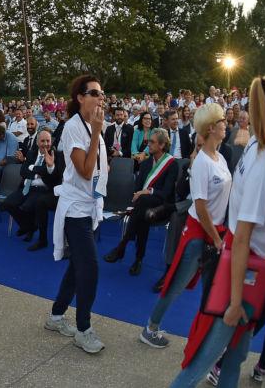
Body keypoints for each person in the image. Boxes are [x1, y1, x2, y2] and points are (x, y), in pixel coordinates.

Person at [169, 76, 265, 387]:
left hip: (252, 275)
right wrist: (236, 301)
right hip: (244, 277)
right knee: (202, 363)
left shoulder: (259, 147)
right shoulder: (262, 162)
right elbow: (242, 238)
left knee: (236, 357)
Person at [140, 103, 231, 349]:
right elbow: (200, 207)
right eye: (222, 120)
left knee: (210, 290)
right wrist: (216, 238)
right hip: (200, 234)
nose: (226, 124)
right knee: (177, 284)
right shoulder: (202, 162)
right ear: (212, 127)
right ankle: (151, 327)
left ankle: (206, 338)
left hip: (213, 233)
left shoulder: (219, 157)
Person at [46, 75, 107, 354]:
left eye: (101, 94)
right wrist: (95, 133)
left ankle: (56, 316)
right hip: (75, 211)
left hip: (90, 205)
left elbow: (94, 168)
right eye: (94, 93)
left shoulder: (92, 124)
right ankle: (84, 329)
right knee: (90, 268)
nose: (100, 98)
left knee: (77, 267)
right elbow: (84, 169)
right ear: (80, 97)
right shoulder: (73, 127)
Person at [103, 128, 178, 275]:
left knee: (142, 203)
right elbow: (137, 189)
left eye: (152, 142)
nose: (148, 144)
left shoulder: (171, 164)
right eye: (148, 141)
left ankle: (122, 247)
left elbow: (167, 193)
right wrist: (142, 194)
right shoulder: (145, 164)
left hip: (162, 207)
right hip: (144, 207)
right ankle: (137, 259)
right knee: (143, 211)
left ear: (162, 145)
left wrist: (148, 191)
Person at [1, 129, 63, 251]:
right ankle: (28, 227)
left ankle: (31, 230)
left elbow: (54, 175)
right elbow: (23, 171)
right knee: (7, 204)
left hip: (43, 190)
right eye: (42, 141)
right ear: (37, 142)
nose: (45, 144)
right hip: (27, 187)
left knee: (28, 206)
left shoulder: (57, 155)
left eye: (48, 141)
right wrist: (37, 172)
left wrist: (34, 168)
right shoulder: (31, 153)